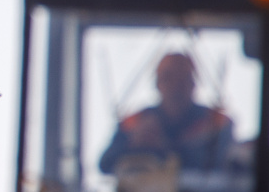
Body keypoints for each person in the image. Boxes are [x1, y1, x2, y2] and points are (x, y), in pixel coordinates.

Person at [97, 52, 234, 175]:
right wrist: (134, 145)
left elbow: (219, 165)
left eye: (182, 79)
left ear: (193, 83)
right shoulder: (134, 123)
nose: (175, 86)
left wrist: (163, 149)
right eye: (168, 78)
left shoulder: (217, 123)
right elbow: (105, 164)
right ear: (157, 84)